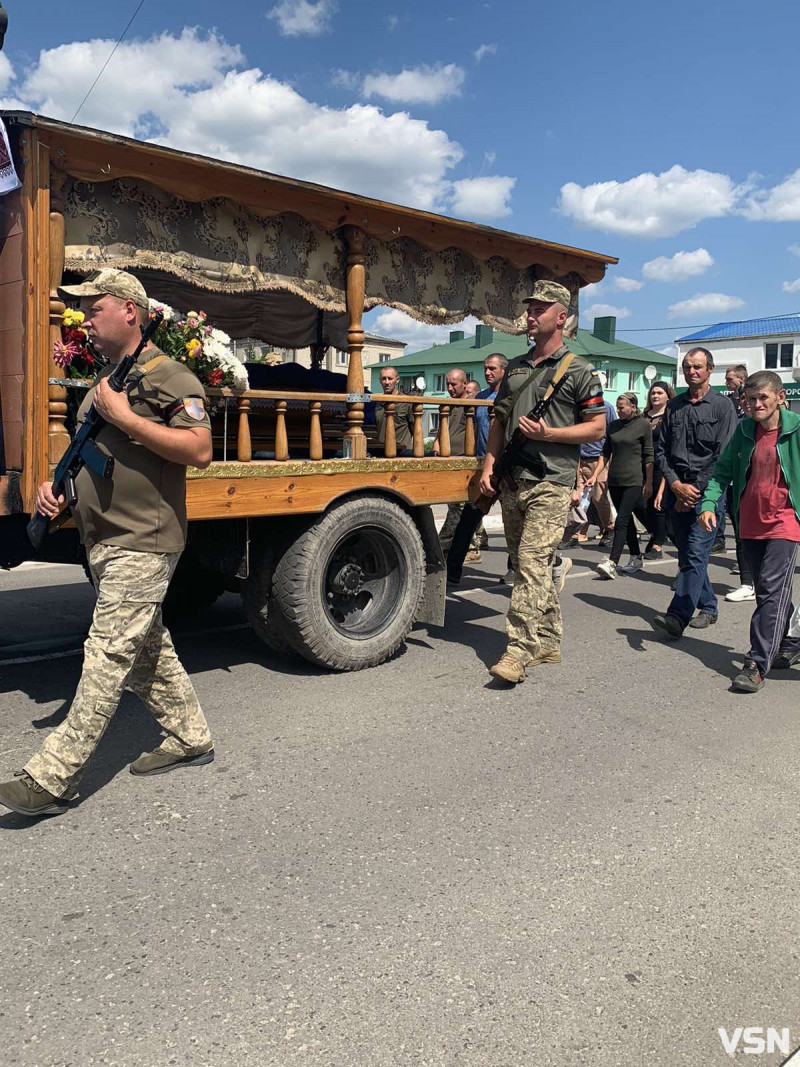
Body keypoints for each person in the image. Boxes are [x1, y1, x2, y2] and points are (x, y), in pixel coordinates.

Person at [0, 269, 215, 818]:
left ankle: (53, 777)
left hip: (144, 539)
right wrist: (59, 490)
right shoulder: (107, 380)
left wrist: (123, 417)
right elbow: (93, 456)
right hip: (104, 541)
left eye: (93, 310)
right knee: (146, 651)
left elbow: (199, 449)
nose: (85, 321)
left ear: (130, 311)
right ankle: (191, 737)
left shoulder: (170, 377)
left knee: (107, 654)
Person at [480, 280, 606, 684]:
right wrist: (488, 467)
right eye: (529, 309)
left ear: (561, 317)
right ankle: (548, 640)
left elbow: (597, 427)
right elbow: (499, 421)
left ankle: (517, 651)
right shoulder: (516, 367)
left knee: (531, 566)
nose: (530, 316)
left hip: (552, 481)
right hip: (514, 480)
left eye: (539, 309)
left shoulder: (580, 371)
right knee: (527, 564)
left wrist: (549, 435)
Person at [698, 371, 800, 692]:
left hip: (786, 522)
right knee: (773, 589)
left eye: (763, 399)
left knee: (769, 590)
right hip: (750, 522)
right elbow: (722, 472)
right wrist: (708, 504)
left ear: (780, 398)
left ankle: (756, 661)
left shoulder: (796, 429)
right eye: (750, 399)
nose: (755, 405)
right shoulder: (744, 431)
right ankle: (791, 639)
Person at [650, 347, 738, 640]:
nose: (691, 371)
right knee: (689, 554)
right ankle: (709, 605)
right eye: (687, 367)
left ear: (710, 369)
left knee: (696, 552)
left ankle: (677, 616)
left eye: (697, 366)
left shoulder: (722, 407)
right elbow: (660, 451)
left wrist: (696, 489)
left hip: (709, 492)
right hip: (678, 489)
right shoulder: (674, 407)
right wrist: (675, 485)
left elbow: (723, 454)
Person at [590, 391, 654, 579]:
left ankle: (612, 562)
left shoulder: (643, 425)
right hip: (615, 480)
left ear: (633, 407)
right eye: (617, 407)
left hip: (634, 480)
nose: (618, 410)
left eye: (621, 407)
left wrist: (648, 482)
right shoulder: (614, 426)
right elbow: (605, 453)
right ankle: (636, 557)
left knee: (622, 519)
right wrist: (595, 475)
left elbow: (649, 455)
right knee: (629, 521)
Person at [561, 397, 616, 548]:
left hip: (599, 458)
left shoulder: (606, 407)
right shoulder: (576, 406)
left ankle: (610, 528)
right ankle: (573, 534)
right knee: (575, 497)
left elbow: (612, 433)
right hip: (578, 456)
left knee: (599, 498)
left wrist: (610, 457)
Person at [436, 368, 474, 555]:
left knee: (458, 508)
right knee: (460, 507)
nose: (450, 388)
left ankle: (442, 545)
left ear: (465, 384)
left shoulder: (472, 406)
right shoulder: (448, 406)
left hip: (465, 463)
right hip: (449, 461)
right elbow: (440, 432)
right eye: (448, 384)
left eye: (454, 384)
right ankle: (473, 544)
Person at [644, 380, 675, 560]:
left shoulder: (670, 416)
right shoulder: (644, 416)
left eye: (659, 393)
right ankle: (658, 533)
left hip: (660, 464)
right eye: (653, 393)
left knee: (659, 504)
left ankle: (657, 544)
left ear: (667, 396)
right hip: (641, 464)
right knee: (643, 504)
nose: (655, 396)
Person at [374, 365, 415, 455]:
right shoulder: (377, 403)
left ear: (397, 380)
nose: (387, 382)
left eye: (390, 378)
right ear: (380, 381)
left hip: (402, 453)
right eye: (384, 379)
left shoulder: (406, 402)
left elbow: (415, 430)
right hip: (381, 452)